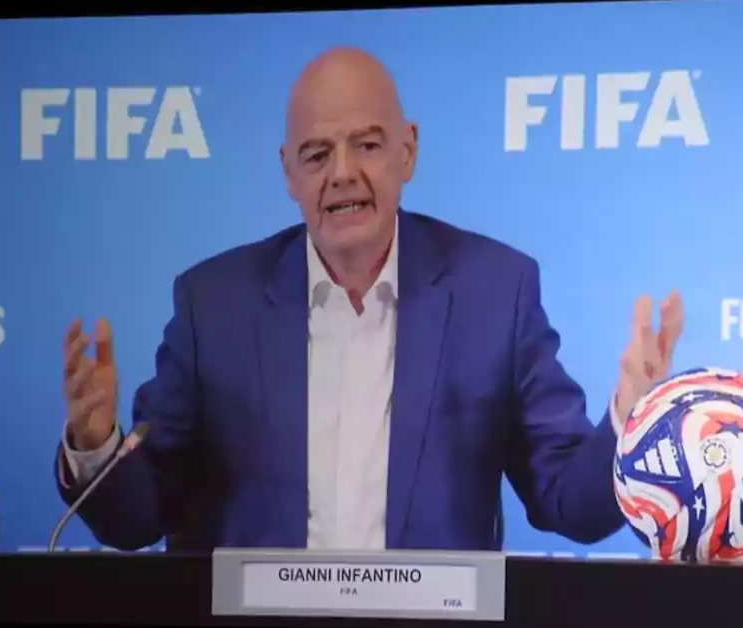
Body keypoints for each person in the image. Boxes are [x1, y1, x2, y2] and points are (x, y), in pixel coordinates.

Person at [56, 46, 683, 552]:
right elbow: (138, 520)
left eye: (368, 144)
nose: (343, 173)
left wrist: (631, 420)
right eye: (317, 153)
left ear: (407, 151)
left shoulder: (496, 292)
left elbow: (568, 502)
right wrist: (96, 442)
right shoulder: (213, 304)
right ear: (288, 173)